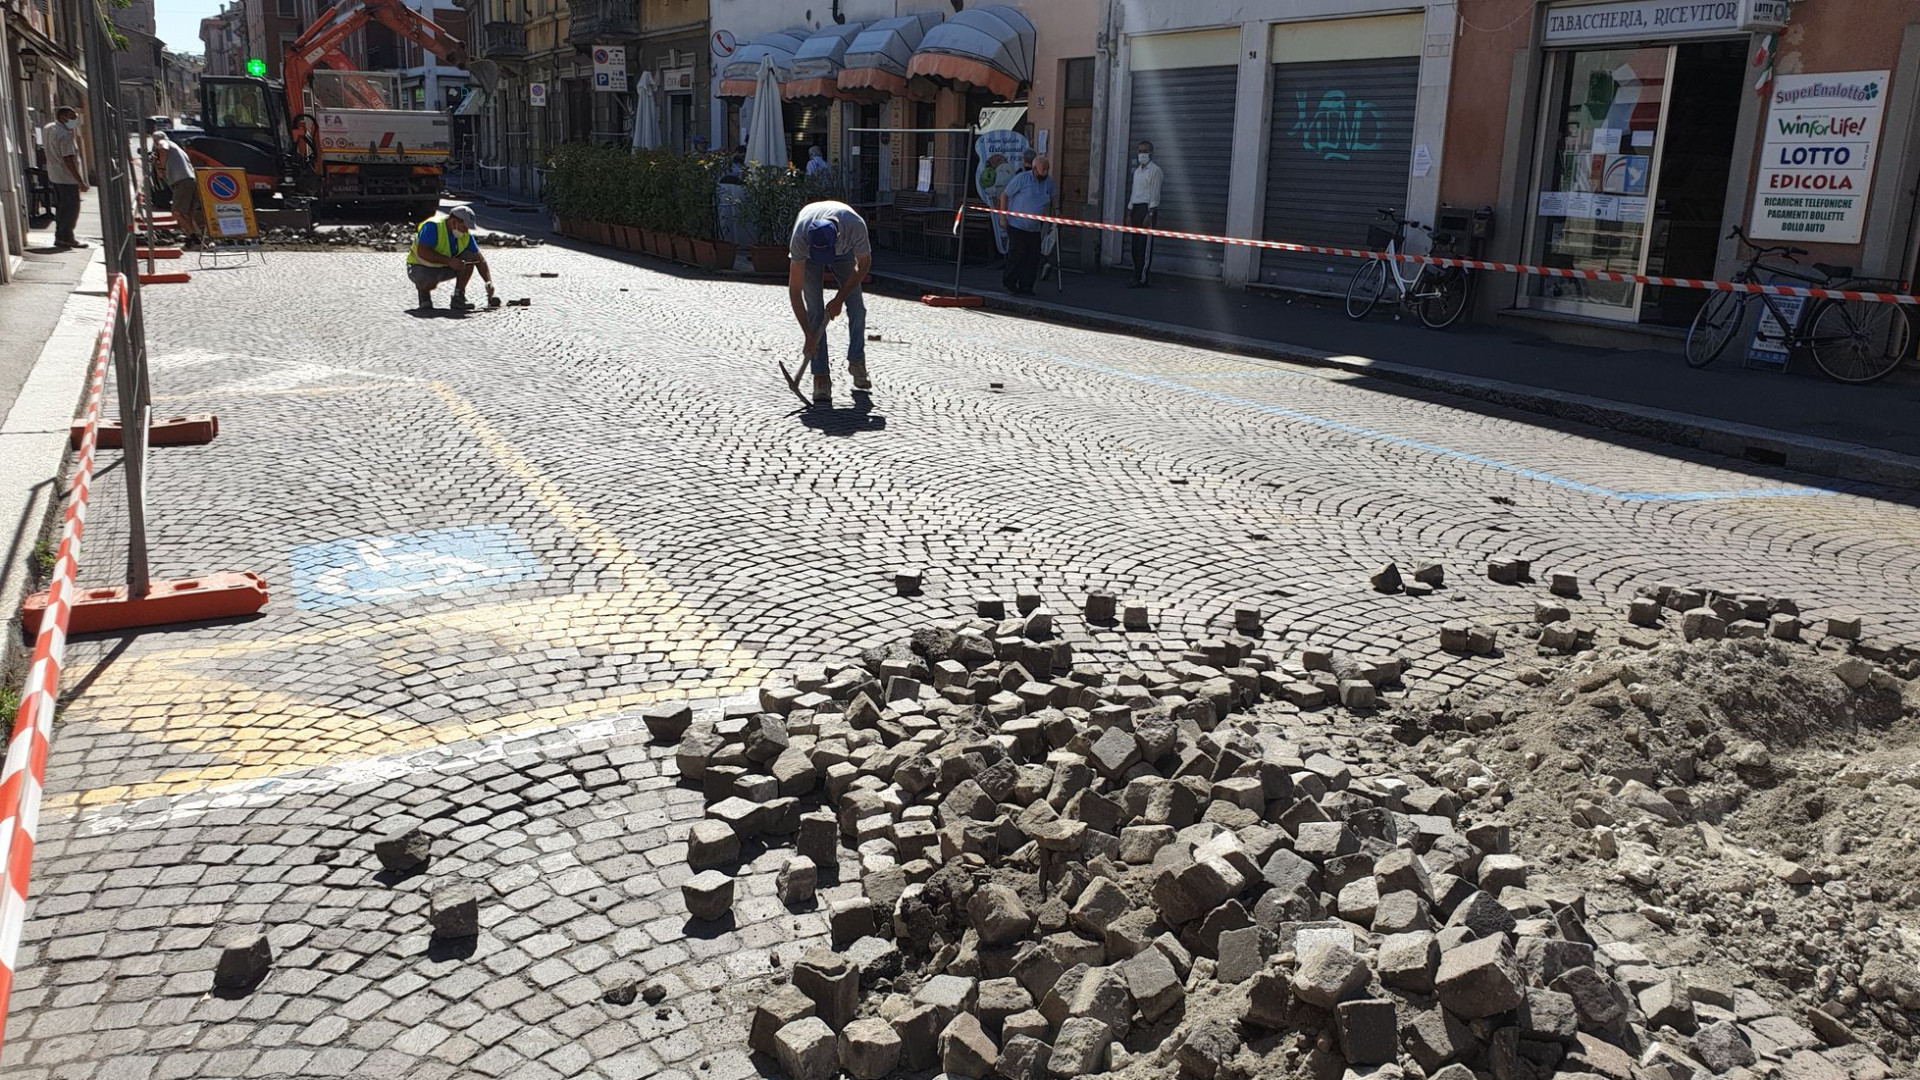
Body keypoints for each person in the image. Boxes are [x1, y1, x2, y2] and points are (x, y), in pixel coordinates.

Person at [787, 200, 872, 406]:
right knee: (815, 311)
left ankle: (856, 361)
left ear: (838, 236)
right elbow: (795, 292)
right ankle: (821, 377)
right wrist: (808, 335)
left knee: (857, 308)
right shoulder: (800, 238)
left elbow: (864, 265)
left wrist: (839, 299)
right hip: (808, 259)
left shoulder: (854, 226)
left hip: (843, 253)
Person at [406, 204, 494, 312]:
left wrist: (488, 282)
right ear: (454, 222)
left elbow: (479, 259)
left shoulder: (465, 235)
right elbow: (422, 251)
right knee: (425, 280)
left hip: (444, 267)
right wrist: (449, 261)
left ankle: (458, 296)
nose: (466, 231)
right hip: (419, 268)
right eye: (464, 227)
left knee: (469, 256)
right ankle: (424, 296)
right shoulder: (432, 226)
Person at [998, 154, 1055, 296]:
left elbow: (1053, 196)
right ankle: (1010, 282)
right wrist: (1002, 218)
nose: (1045, 172)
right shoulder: (1022, 179)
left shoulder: (1048, 182)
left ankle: (1026, 286)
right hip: (1017, 224)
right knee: (1017, 255)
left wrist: (1056, 211)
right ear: (1034, 169)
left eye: (1047, 169)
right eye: (1043, 169)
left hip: (1034, 227)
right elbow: (1005, 195)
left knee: (1033, 257)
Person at [41, 107, 88, 249]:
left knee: (61, 208)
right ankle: (67, 237)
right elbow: (69, 159)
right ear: (62, 117)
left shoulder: (48, 128)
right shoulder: (65, 135)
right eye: (72, 117)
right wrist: (80, 181)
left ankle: (60, 236)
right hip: (67, 178)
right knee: (71, 209)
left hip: (54, 175)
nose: (74, 120)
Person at [1126, 140, 1163, 289]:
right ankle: (1136, 274)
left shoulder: (1155, 171)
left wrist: (1150, 213)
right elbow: (1134, 193)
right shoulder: (1137, 172)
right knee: (1135, 245)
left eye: (1145, 151)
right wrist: (1129, 211)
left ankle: (1143, 278)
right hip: (1136, 209)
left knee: (1144, 246)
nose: (1141, 154)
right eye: (1139, 151)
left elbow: (1155, 194)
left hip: (1147, 210)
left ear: (1151, 153)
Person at [155, 133, 202, 247]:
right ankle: (193, 238)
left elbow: (163, 147)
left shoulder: (165, 143)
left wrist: (162, 167)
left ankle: (193, 237)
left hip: (182, 181)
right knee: (186, 214)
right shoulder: (177, 148)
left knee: (176, 212)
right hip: (191, 179)